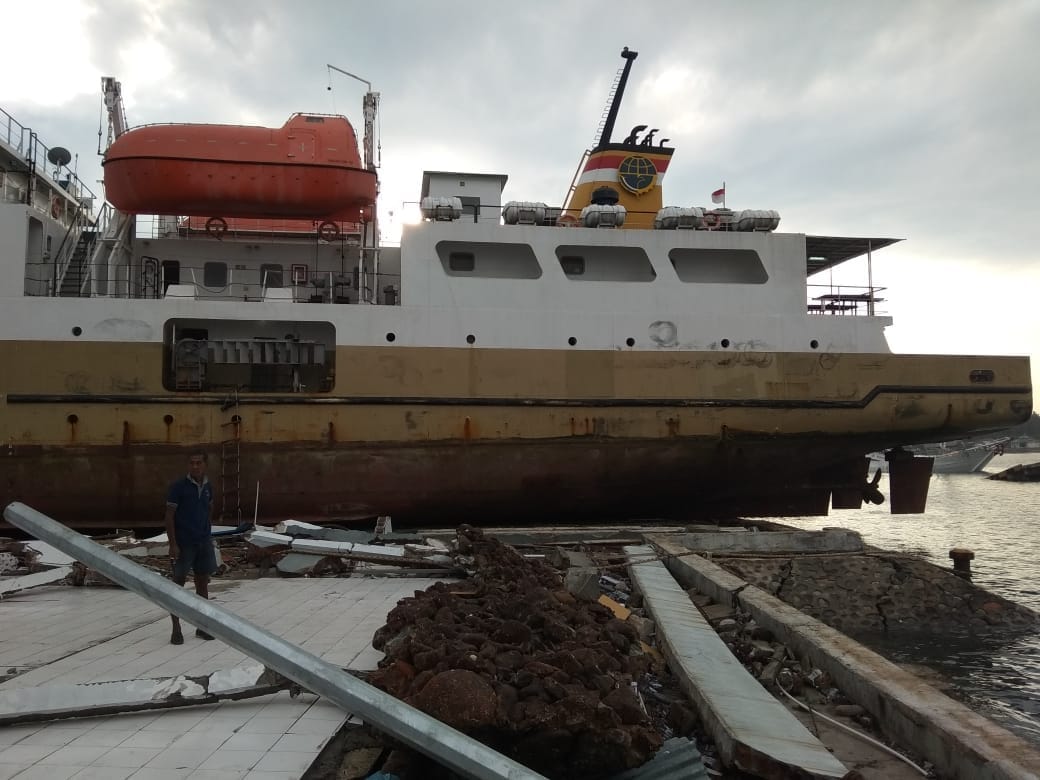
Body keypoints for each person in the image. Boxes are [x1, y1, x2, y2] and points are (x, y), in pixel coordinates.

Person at [165, 451, 217, 644]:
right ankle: (176, 628)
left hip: (203, 542)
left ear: (204, 465)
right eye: (192, 463)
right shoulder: (178, 488)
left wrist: (207, 532)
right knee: (177, 585)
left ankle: (202, 627)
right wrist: (173, 544)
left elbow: (209, 508)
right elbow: (169, 516)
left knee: (202, 585)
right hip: (184, 543)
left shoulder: (208, 487)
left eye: (199, 463)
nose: (195, 466)